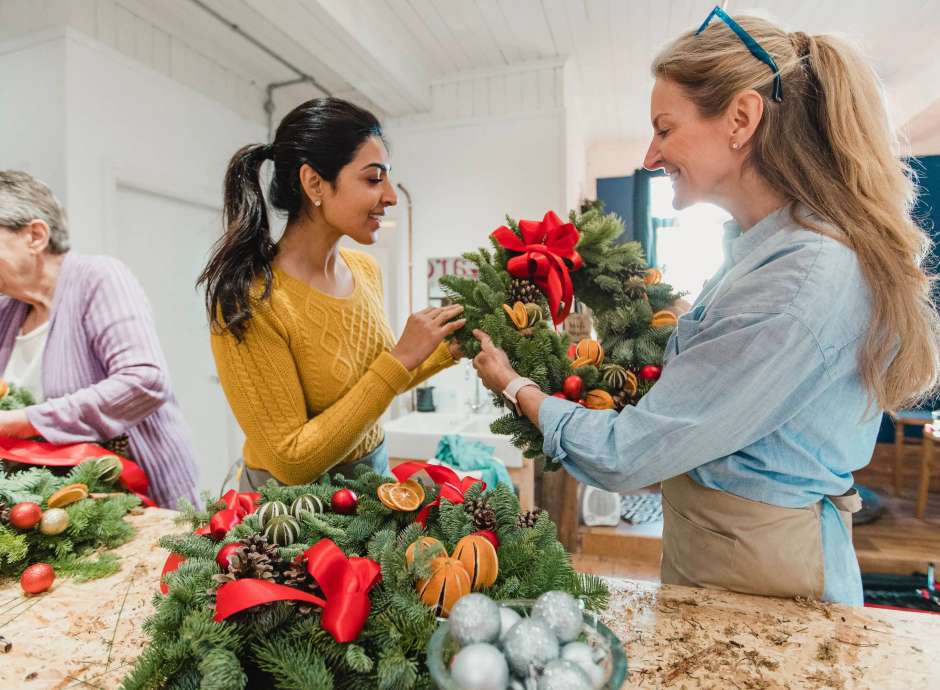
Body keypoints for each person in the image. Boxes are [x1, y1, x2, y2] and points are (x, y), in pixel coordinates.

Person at [470, 9, 940, 605]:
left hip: (765, 581)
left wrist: (514, 386)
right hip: (729, 554)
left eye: (664, 129)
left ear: (741, 119)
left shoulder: (800, 279)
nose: (649, 154)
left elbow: (626, 454)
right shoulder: (767, 253)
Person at [201, 97, 464, 489]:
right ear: (314, 183)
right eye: (374, 179)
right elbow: (291, 461)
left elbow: (370, 385)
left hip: (372, 488)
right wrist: (401, 357)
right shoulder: (252, 300)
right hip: (291, 519)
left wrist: (454, 344)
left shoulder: (364, 271)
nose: (391, 196)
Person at [0, 171, 200, 508]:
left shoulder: (98, 278)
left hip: (137, 503)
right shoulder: (8, 308)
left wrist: (28, 422)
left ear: (35, 236)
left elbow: (144, 380)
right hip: (51, 514)